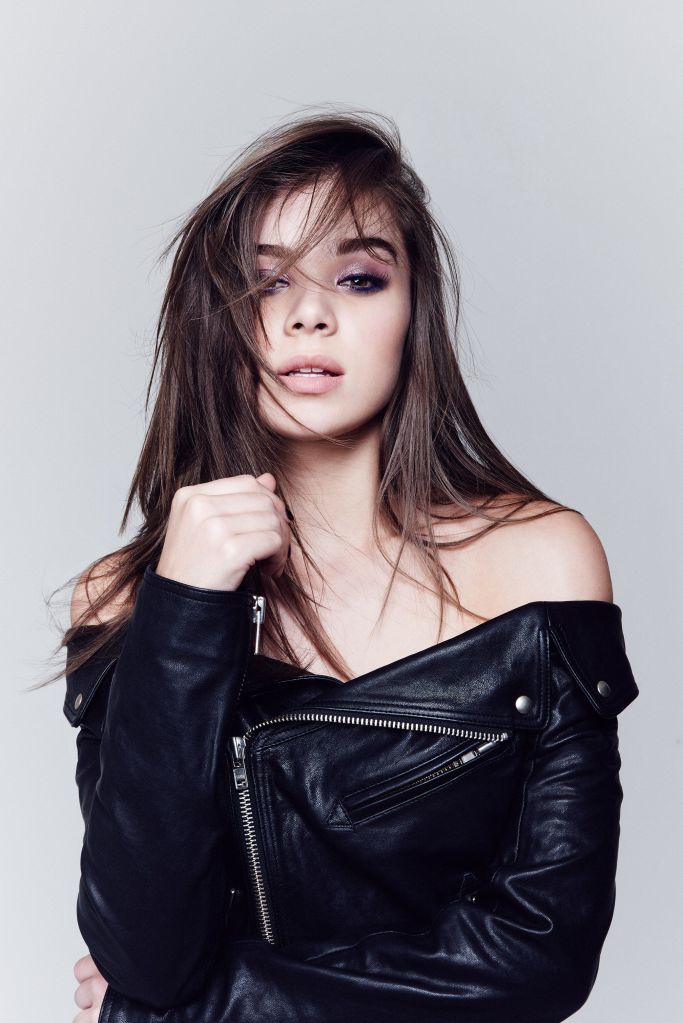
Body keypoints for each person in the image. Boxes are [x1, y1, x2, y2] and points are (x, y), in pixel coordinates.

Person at [46, 108, 638, 1022]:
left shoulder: (539, 560)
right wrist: (186, 603)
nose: (309, 312)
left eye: (358, 278)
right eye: (266, 283)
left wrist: (202, 1012)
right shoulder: (130, 598)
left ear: (411, 314)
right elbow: (147, 951)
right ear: (216, 324)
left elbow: (540, 955)